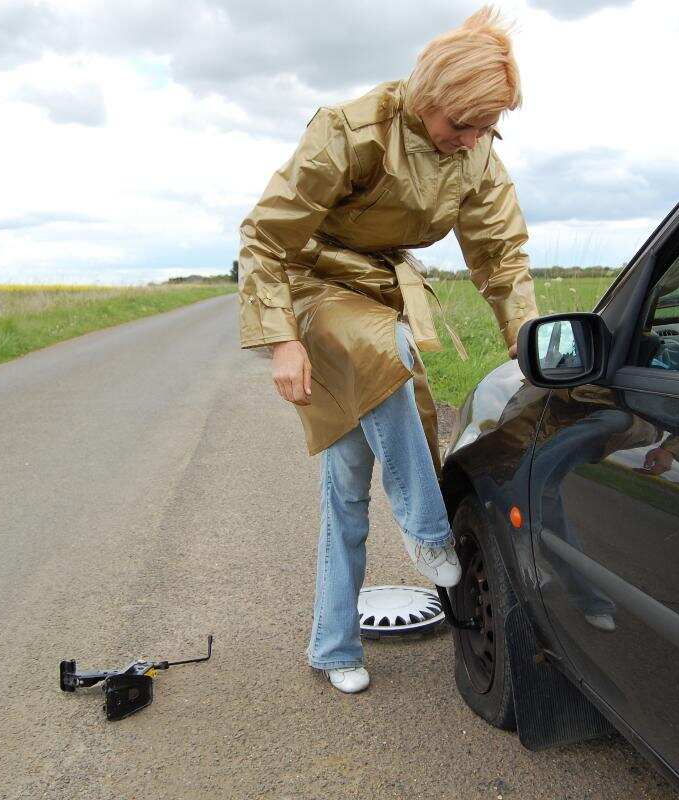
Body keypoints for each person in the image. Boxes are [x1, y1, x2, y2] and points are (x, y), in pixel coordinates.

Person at [237, 5, 540, 694]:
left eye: (485, 129)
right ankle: (428, 528)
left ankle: (333, 645)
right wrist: (282, 341)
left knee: (346, 481)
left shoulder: (476, 154)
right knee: (392, 350)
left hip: (381, 291)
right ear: (430, 96)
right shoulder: (349, 131)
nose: (471, 141)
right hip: (313, 284)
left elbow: (501, 255)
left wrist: (527, 339)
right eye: (461, 125)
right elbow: (263, 238)